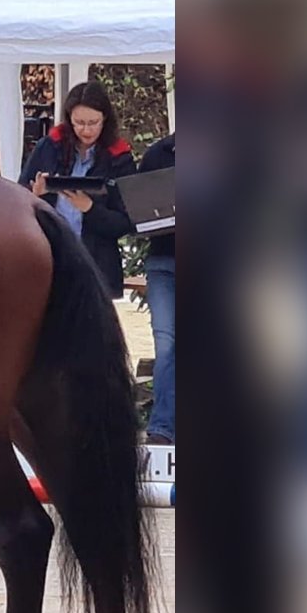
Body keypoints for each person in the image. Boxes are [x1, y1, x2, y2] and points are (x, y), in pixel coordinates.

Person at [19, 80, 137, 298]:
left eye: (93, 122)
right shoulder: (49, 146)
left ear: (105, 119)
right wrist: (35, 195)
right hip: (49, 255)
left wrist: (90, 209)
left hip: (95, 263)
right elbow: (19, 199)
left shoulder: (119, 157)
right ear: (69, 119)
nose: (86, 130)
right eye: (79, 122)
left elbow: (126, 222)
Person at [138, 132, 175, 445]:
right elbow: (136, 214)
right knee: (166, 344)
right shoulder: (157, 154)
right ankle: (162, 427)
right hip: (164, 260)